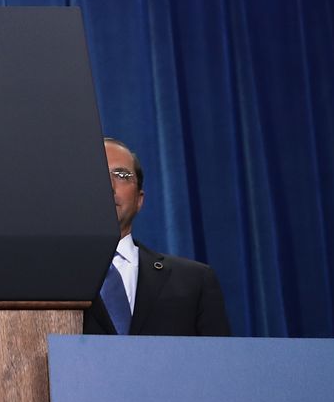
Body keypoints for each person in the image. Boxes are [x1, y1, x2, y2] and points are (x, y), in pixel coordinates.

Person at [85, 138, 232, 336]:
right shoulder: (49, 277)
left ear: (139, 199)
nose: (109, 185)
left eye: (121, 175)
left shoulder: (194, 281)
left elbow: (218, 361)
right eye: (97, 173)